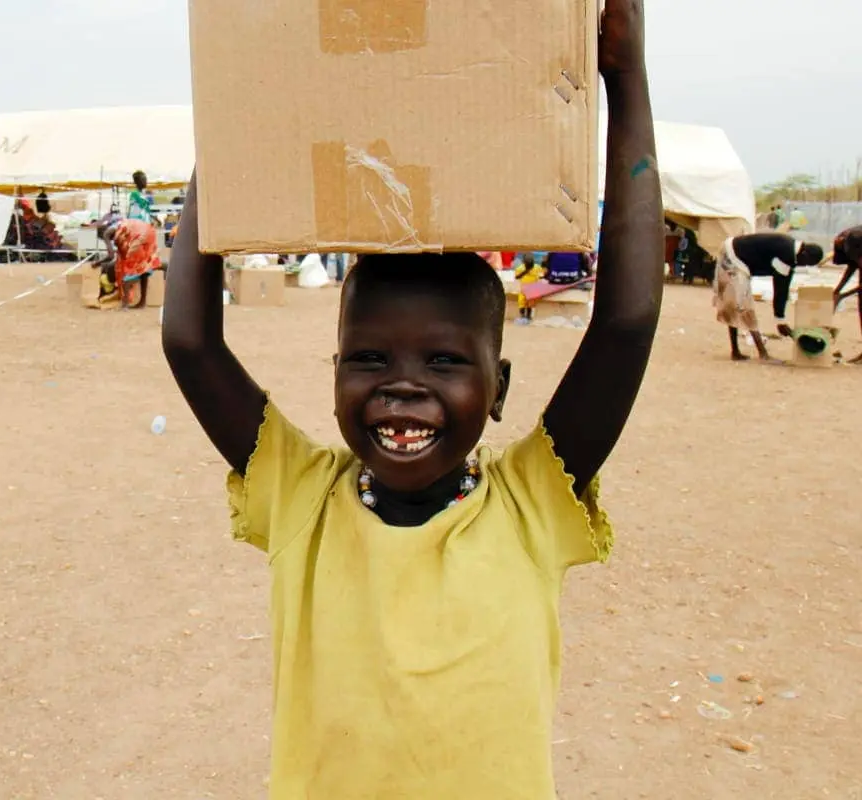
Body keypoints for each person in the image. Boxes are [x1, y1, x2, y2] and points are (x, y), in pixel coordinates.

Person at [160, 2, 660, 796]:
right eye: (367, 358)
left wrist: (625, 82)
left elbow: (626, 324)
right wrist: (228, 127)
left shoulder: (532, 501)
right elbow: (190, 342)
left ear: (499, 390)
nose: (401, 385)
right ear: (331, 378)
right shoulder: (301, 496)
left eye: (444, 360)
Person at [718, 232, 825, 345]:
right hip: (733, 256)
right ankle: (754, 351)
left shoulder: (791, 251)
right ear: (804, 254)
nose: (803, 266)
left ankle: (742, 350)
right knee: (742, 305)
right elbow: (779, 290)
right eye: (806, 263)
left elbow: (784, 288)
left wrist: (780, 319)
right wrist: (780, 321)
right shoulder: (786, 254)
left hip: (736, 254)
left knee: (739, 304)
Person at [831, 225, 862, 363]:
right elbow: (853, 265)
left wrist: (842, 296)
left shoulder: (855, 240)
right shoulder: (849, 239)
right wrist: (837, 290)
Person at [513, 252, 545, 322]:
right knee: (521, 303)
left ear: (534, 262)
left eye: (531, 265)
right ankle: (522, 316)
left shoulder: (537, 267)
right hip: (523, 290)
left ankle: (528, 316)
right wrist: (525, 271)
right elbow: (517, 277)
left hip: (532, 289)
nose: (529, 267)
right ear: (523, 262)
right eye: (528, 265)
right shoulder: (520, 268)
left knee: (530, 304)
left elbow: (541, 276)